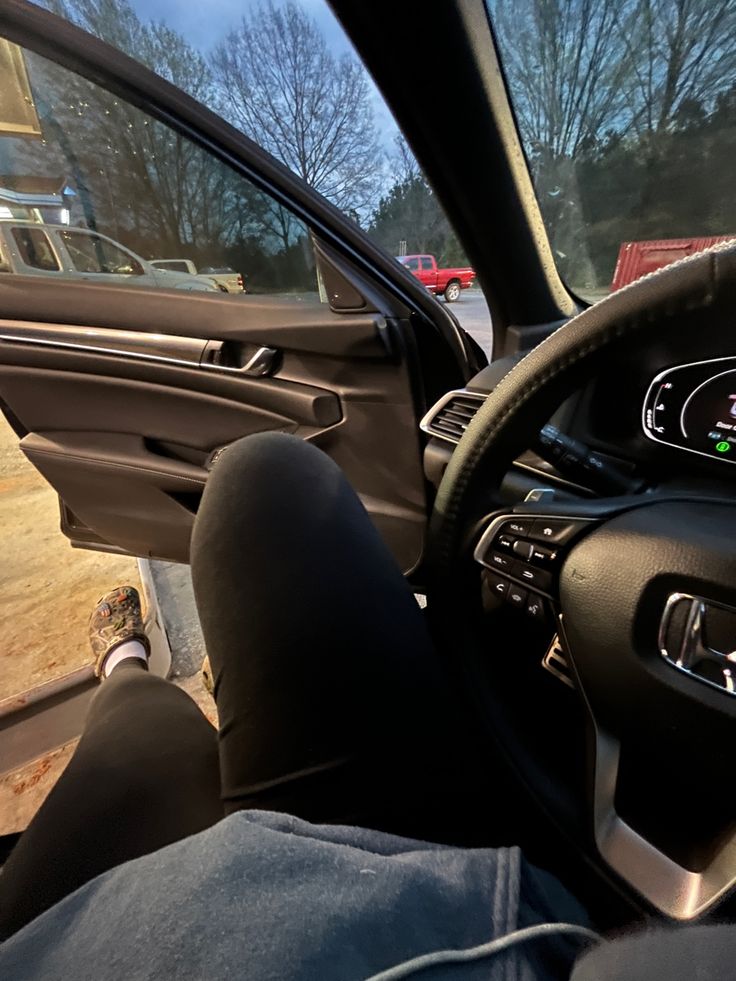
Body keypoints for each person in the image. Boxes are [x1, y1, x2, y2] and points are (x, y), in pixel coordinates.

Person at [0, 433, 730, 979]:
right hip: (394, 922)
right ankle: (126, 671)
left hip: (75, 943)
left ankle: (122, 665)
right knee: (263, 479)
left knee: (142, 717)